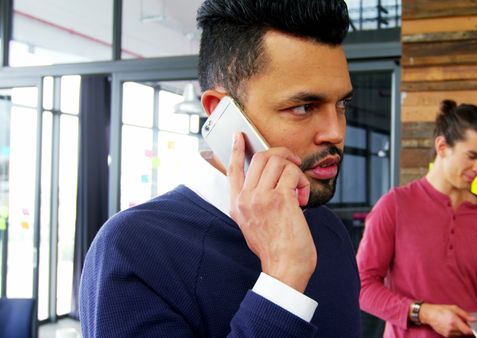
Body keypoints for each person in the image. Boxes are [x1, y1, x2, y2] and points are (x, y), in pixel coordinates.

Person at [79, 0, 361, 336]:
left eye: (341, 104)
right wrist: (283, 280)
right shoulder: (133, 248)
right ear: (220, 111)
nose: (336, 132)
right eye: (303, 107)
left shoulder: (327, 227)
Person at [357, 100, 477, 338]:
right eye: (472, 156)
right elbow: (362, 287)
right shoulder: (394, 206)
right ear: (442, 146)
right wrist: (424, 312)